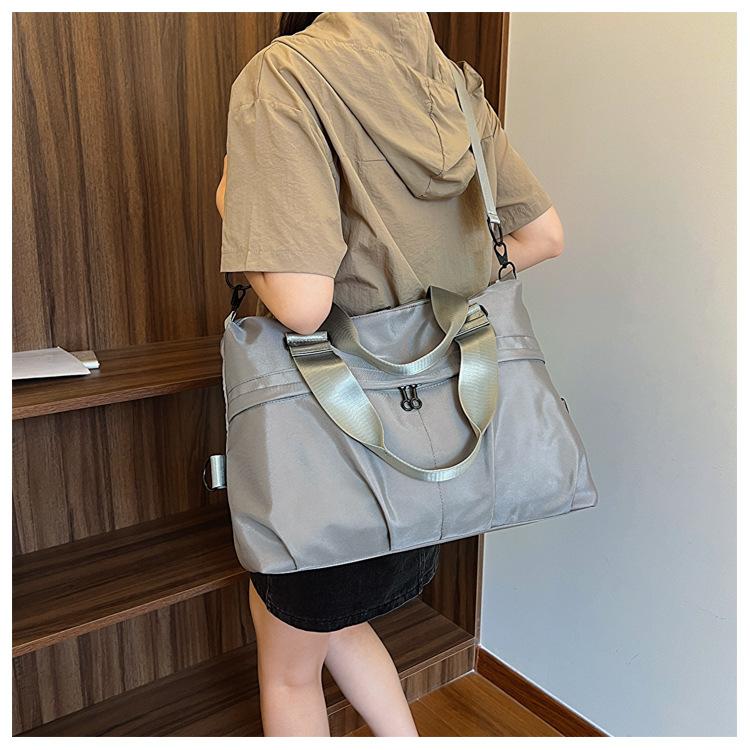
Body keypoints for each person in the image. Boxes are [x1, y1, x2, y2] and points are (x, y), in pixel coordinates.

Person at [215, 11, 564, 737]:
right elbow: (541, 236)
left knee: (290, 668)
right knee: (341, 624)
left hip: (331, 449)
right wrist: (429, 311)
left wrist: (230, 207)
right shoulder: (453, 84)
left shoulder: (285, 74)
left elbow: (302, 305)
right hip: (434, 449)